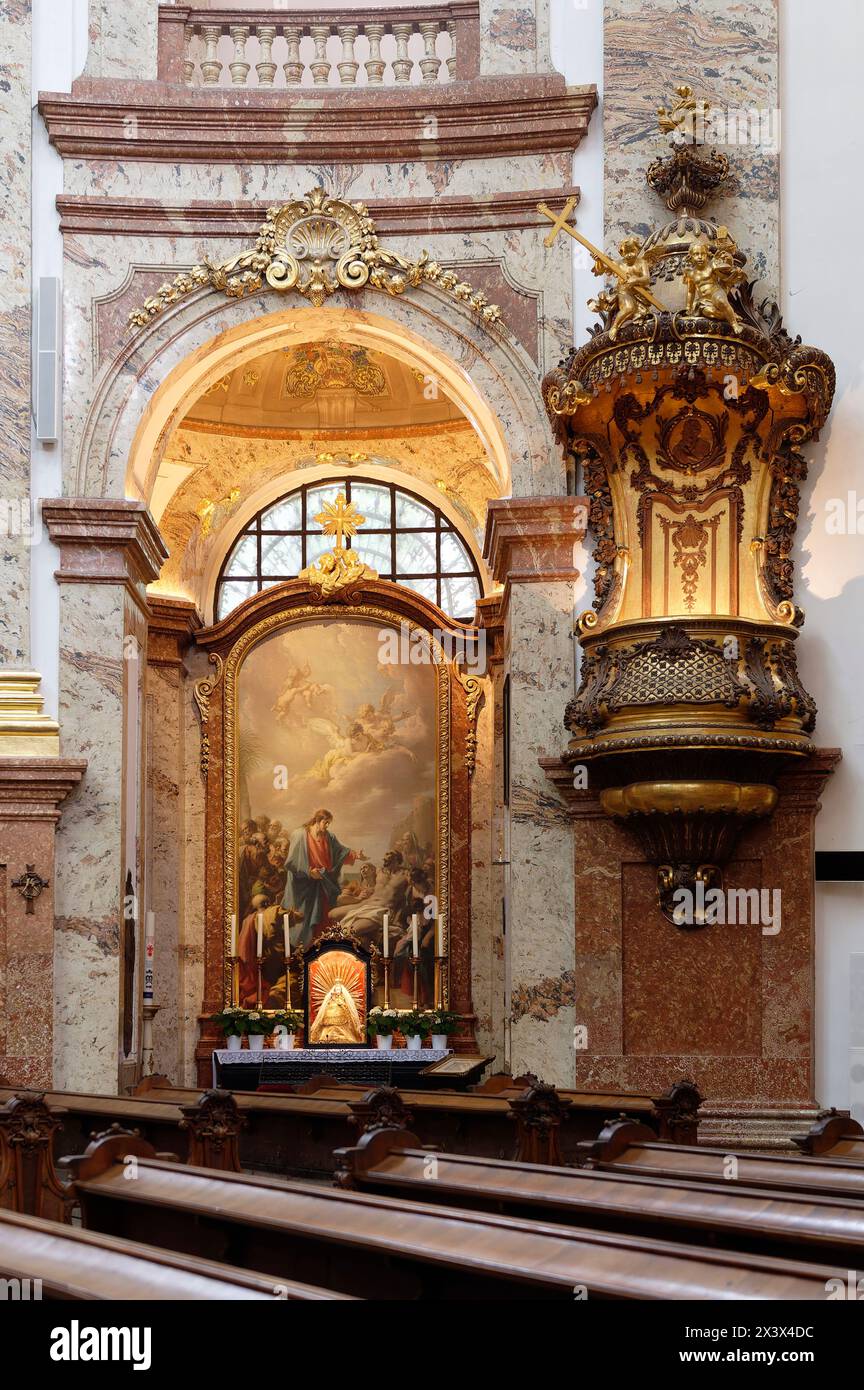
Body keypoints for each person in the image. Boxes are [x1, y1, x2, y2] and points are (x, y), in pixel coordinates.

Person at [281, 809, 365, 949]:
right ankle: (305, 952)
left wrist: (356, 856)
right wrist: (308, 872)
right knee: (304, 922)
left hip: (323, 884)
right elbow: (292, 862)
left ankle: (324, 949)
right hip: (304, 887)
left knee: (324, 918)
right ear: (317, 821)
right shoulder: (299, 835)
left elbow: (340, 852)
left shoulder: (329, 836)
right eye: (325, 823)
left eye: (328, 823)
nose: (327, 826)